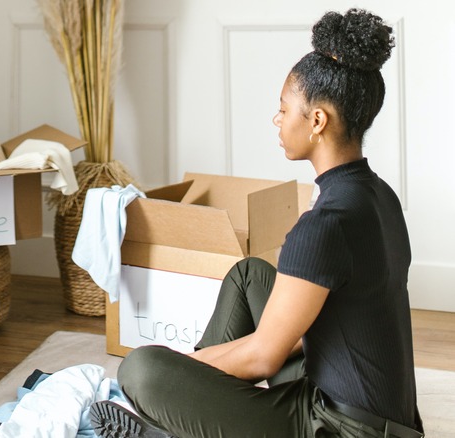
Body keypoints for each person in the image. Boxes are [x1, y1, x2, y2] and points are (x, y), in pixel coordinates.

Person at [89, 8, 425, 438]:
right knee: (250, 276)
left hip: (340, 428)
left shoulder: (323, 225)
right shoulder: (380, 198)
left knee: (140, 369)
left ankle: (178, 416)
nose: (277, 119)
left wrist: (180, 370)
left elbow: (265, 358)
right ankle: (189, 414)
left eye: (284, 109)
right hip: (383, 415)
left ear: (317, 121)